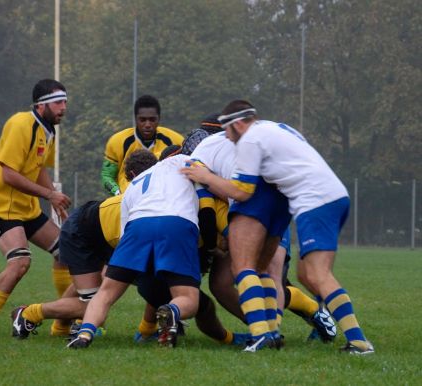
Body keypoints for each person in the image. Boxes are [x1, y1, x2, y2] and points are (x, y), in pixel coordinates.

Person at [183, 100, 374, 354]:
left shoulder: (241, 140)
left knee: (247, 266)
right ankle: (273, 332)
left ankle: (266, 335)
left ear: (238, 123)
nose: (226, 137)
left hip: (303, 200)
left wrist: (205, 177)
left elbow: (242, 192)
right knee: (297, 274)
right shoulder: (278, 128)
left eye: (227, 129)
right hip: (314, 196)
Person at [10, 150, 158, 338]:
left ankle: (60, 328)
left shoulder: (143, 196)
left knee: (94, 293)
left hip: (98, 233)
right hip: (81, 234)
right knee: (93, 305)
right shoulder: (138, 199)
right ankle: (27, 314)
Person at [68, 153, 202, 349]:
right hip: (177, 222)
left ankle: (85, 334)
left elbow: (124, 236)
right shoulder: (185, 161)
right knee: (189, 298)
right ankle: (171, 310)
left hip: (137, 226)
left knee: (105, 292)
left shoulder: (136, 182)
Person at [0, 79, 73, 336]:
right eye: (58, 102)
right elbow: (8, 175)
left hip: (26, 207)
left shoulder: (48, 130)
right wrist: (49, 195)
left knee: (67, 253)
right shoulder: (21, 124)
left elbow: (39, 168)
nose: (64, 107)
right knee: (20, 261)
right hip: (1, 206)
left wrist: (55, 195)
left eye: (65, 102)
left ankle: (64, 319)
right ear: (41, 106)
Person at [101, 95, 183, 195]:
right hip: (126, 200)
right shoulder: (117, 141)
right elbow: (107, 175)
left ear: (159, 119)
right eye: (142, 120)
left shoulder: (176, 140)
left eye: (152, 119)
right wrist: (118, 193)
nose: (147, 124)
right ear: (135, 119)